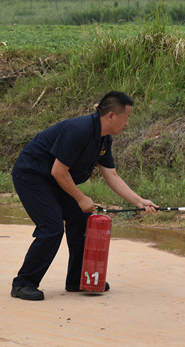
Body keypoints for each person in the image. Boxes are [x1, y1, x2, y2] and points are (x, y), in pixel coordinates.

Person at [10, 91, 158, 301]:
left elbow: (112, 175)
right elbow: (58, 171)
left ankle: (78, 280)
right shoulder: (79, 131)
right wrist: (80, 198)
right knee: (51, 227)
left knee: (82, 218)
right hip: (32, 176)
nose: (127, 124)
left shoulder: (104, 140)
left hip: (57, 180)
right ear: (111, 116)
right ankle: (23, 283)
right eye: (126, 118)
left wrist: (139, 201)